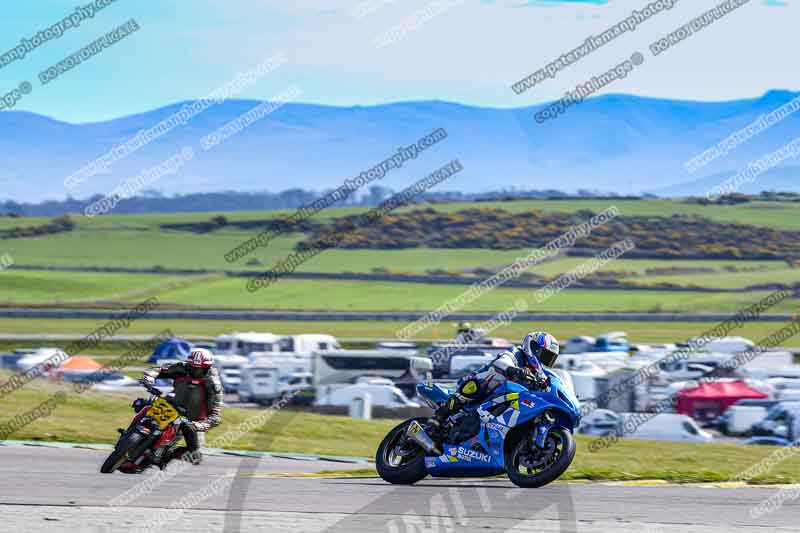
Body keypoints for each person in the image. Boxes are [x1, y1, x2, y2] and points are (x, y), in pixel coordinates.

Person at [430, 331, 560, 428]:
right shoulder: (515, 354)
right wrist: (515, 370)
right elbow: (502, 362)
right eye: (545, 355)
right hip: (481, 389)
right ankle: (441, 415)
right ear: (534, 348)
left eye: (550, 358)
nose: (545, 360)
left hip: (502, 405)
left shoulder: (537, 373)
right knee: (492, 376)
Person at [140, 347, 223, 467]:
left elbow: (215, 417)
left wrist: (199, 425)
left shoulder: (214, 384)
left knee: (195, 456)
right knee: (143, 404)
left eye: (200, 369)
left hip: (191, 420)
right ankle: (129, 433)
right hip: (171, 405)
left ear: (208, 367)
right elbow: (158, 370)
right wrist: (149, 377)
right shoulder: (181, 367)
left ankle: (168, 455)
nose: (196, 371)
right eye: (193, 367)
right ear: (188, 364)